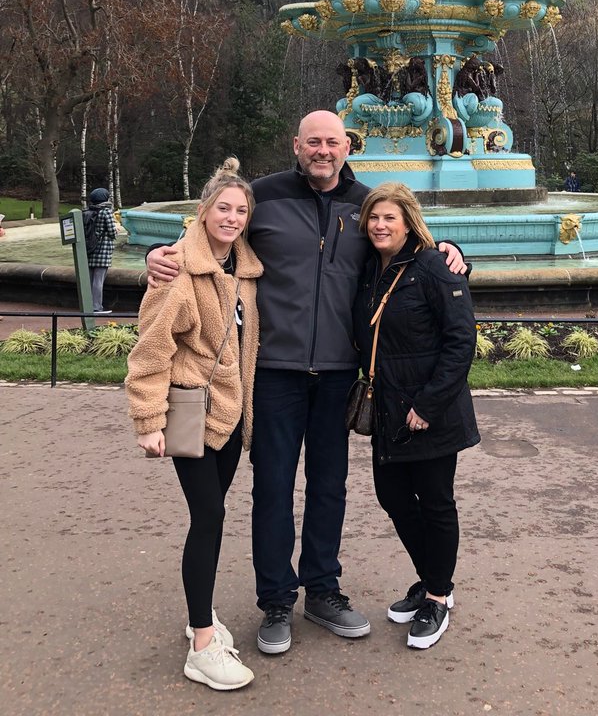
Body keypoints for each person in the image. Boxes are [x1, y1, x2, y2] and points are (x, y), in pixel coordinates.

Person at [146, 110, 465, 658]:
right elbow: (207, 234)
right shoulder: (262, 198)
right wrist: (157, 255)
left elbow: (407, 249)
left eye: (332, 142)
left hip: (339, 373)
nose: (323, 150)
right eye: (313, 142)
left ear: (348, 147)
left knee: (329, 486)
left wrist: (456, 253)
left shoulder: (364, 205)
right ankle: (275, 599)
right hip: (272, 372)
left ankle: (322, 589)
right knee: (271, 486)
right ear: (296, 145)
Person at [126, 158, 262, 691]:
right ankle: (202, 643)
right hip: (187, 412)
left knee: (212, 513)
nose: (231, 218)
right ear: (203, 213)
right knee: (207, 516)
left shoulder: (243, 268)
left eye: (240, 211)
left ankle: (198, 618)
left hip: (228, 415)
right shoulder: (178, 271)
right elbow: (150, 351)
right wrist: (147, 420)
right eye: (222, 209)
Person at [353, 182, 479, 651]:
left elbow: (460, 341)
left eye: (389, 217)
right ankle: (432, 579)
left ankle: (438, 596)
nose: (380, 225)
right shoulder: (371, 269)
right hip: (387, 409)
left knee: (435, 501)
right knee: (393, 496)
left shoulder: (433, 266)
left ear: (408, 221)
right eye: (373, 218)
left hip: (430, 412)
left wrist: (427, 406)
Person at [84, 187, 118, 314]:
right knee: (98, 281)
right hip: (103, 251)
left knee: (91, 279)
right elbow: (111, 232)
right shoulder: (106, 212)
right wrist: (116, 231)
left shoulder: (88, 211)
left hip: (90, 248)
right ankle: (97, 307)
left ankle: (88, 305)